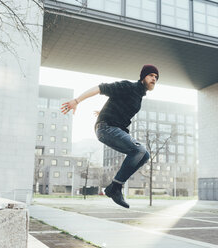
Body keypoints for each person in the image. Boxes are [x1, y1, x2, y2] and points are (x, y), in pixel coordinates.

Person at [61, 65, 159, 208]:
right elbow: (100, 88)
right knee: (139, 150)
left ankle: (113, 187)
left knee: (145, 155)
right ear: (143, 77)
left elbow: (119, 105)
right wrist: (77, 101)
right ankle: (116, 188)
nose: (154, 79)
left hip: (114, 128)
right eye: (151, 75)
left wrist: (103, 110)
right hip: (106, 128)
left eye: (156, 77)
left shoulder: (138, 97)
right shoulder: (128, 86)